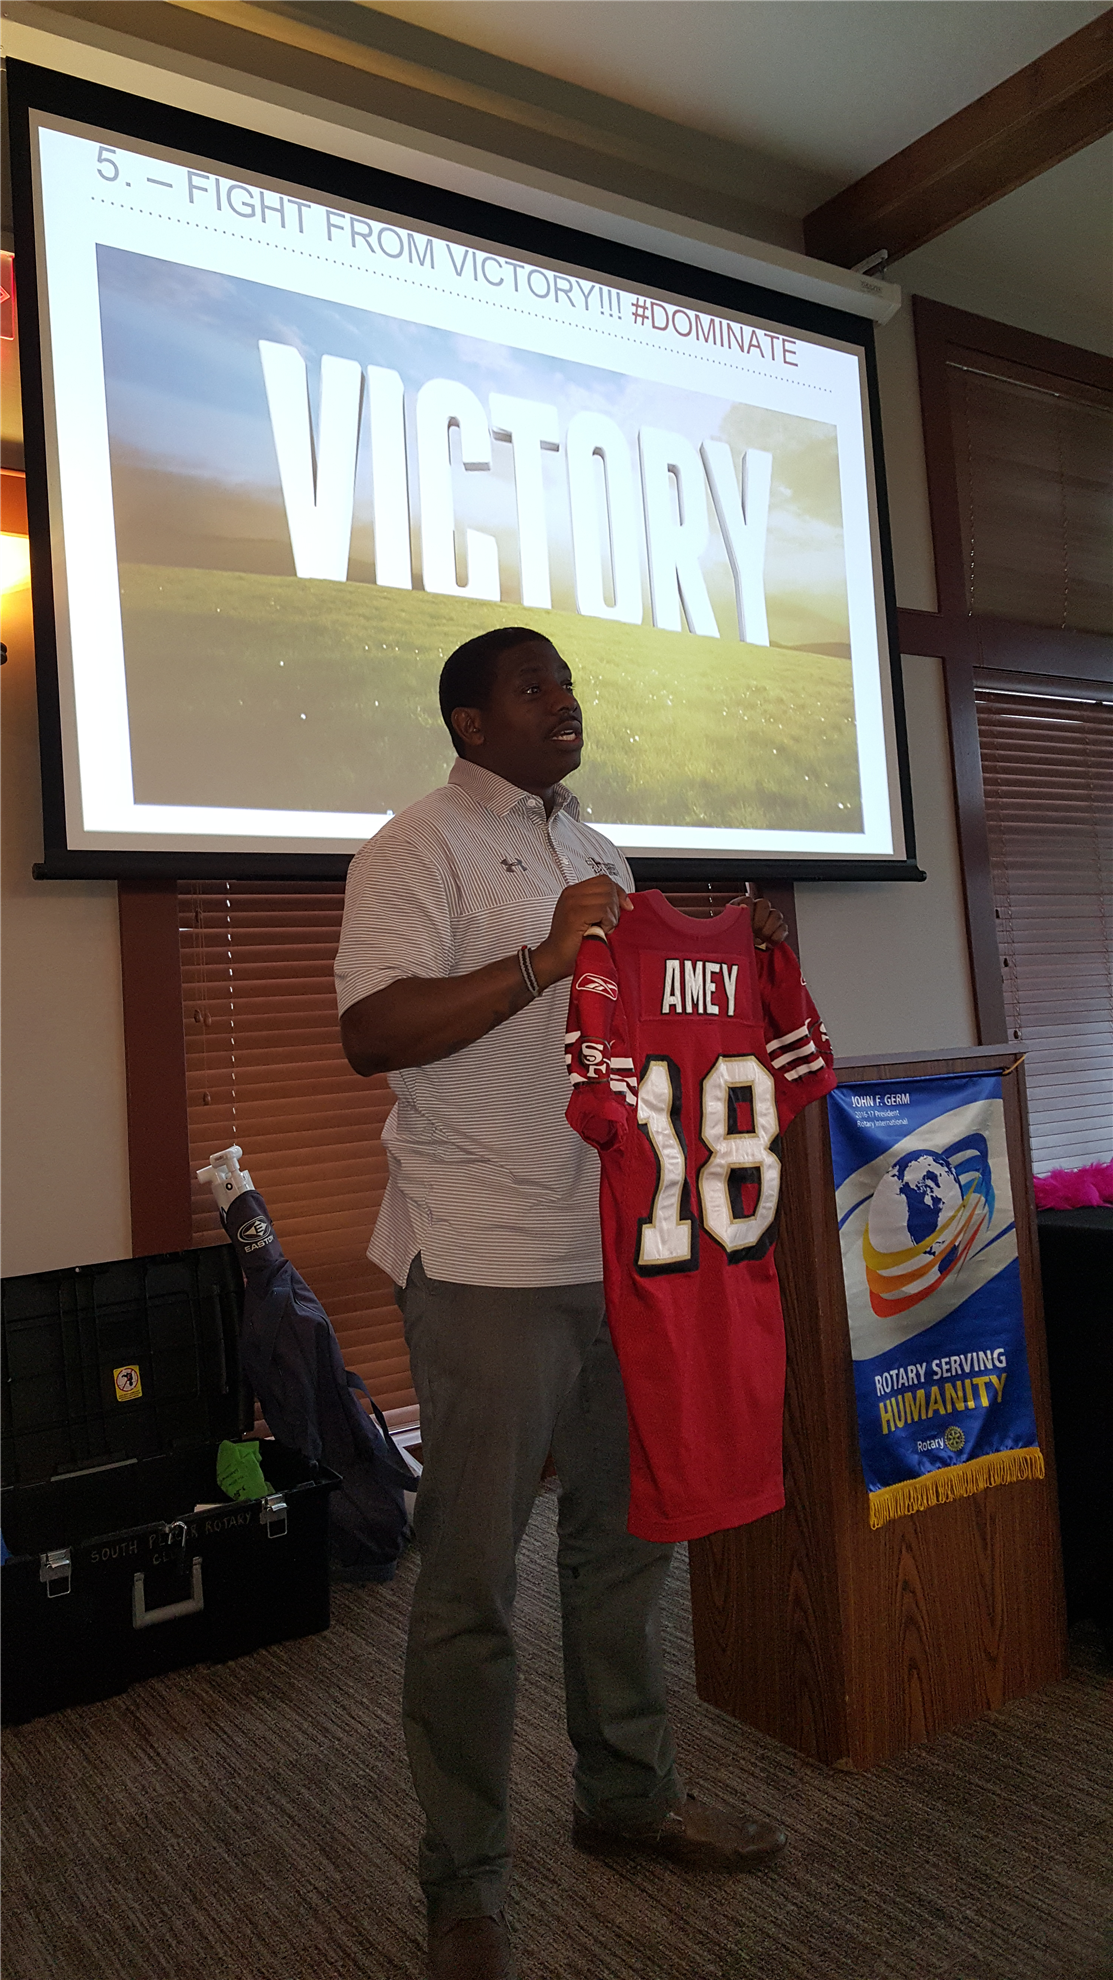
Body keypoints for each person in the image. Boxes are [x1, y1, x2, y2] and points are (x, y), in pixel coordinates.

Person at [336, 626, 789, 1980]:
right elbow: (370, 1031)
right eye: (534, 685)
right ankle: (465, 1883)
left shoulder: (600, 852)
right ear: (471, 723)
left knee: (622, 1545)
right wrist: (539, 958)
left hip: (622, 1251)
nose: (565, 699)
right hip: (482, 1257)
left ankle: (629, 1796)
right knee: (472, 1584)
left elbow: (639, 1030)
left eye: (570, 683)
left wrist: (736, 958)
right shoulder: (412, 848)